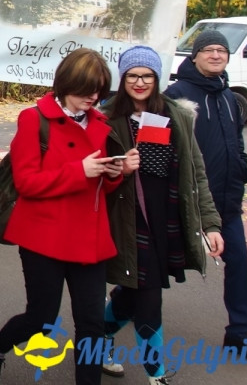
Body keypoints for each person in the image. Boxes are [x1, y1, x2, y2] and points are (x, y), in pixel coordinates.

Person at [0, 48, 124, 385]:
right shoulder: (34, 120)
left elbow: (101, 187)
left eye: (99, 90)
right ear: (66, 84)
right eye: (86, 90)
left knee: (92, 323)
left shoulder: (100, 123)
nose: (93, 97)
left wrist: (115, 172)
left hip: (89, 239)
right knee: (42, 318)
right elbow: (27, 182)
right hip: (44, 237)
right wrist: (81, 170)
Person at [100, 46, 224, 385]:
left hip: (164, 220)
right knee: (149, 298)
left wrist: (210, 224)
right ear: (122, 78)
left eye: (147, 76)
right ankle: (157, 376)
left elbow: (196, 173)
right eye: (133, 75)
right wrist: (119, 168)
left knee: (132, 293)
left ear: (157, 79)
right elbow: (95, 174)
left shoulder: (177, 115)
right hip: (126, 220)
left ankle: (99, 338)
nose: (140, 82)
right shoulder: (106, 116)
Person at [164, 30, 247, 365]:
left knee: (239, 264)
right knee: (158, 268)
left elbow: (236, 142)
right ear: (194, 56)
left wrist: (241, 169)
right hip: (187, 203)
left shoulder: (229, 97)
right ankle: (116, 313)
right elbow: (160, 146)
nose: (215, 55)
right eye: (208, 49)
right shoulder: (177, 95)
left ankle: (239, 334)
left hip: (226, 202)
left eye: (221, 50)